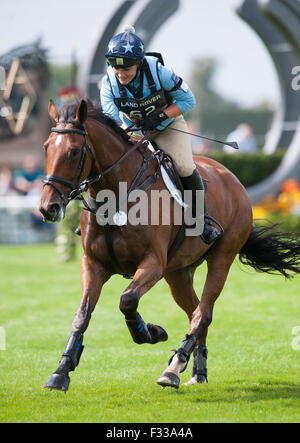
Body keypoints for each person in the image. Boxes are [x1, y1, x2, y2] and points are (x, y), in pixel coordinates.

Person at [100, 26, 221, 244]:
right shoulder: (108, 82)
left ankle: (201, 220)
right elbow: (111, 117)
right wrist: (125, 131)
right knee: (110, 164)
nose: (121, 74)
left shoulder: (160, 73)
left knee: (184, 166)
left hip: (167, 127)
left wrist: (160, 116)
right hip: (133, 131)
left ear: (139, 62)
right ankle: (101, 216)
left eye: (126, 68)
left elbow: (188, 100)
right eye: (116, 68)